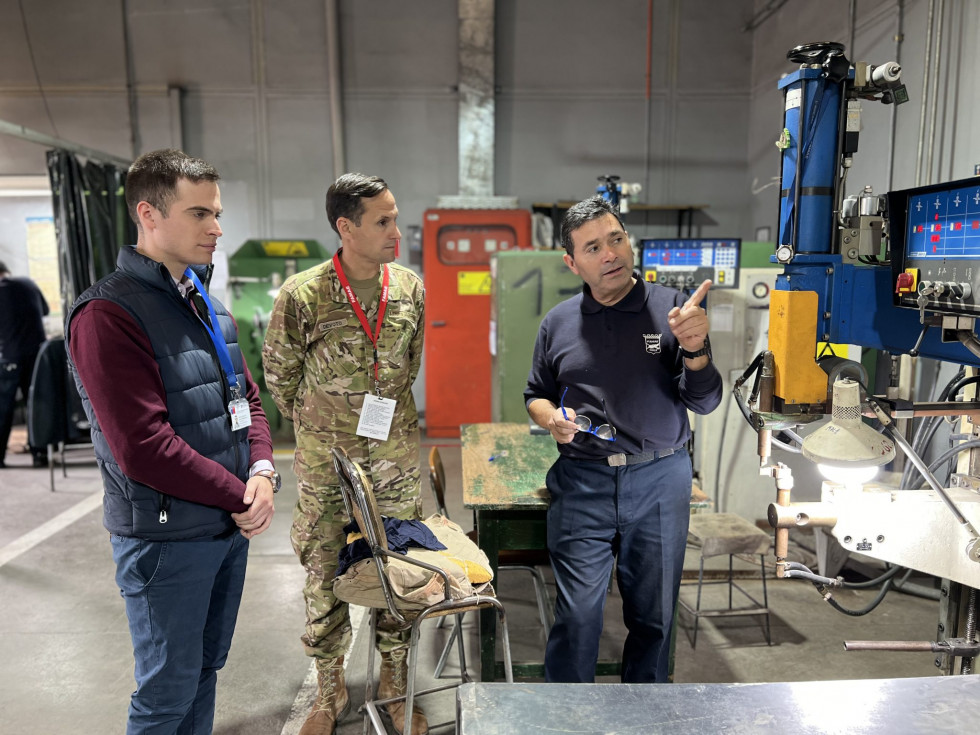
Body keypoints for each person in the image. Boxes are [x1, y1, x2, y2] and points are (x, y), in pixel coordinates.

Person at [65, 149, 277, 734]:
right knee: (166, 690)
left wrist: (263, 473)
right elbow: (143, 447)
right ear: (149, 215)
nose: (216, 227)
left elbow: (249, 402)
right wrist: (240, 494)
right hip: (165, 540)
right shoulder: (109, 315)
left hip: (222, 528)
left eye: (217, 212)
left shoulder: (209, 307)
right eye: (200, 213)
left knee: (204, 672)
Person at [525, 195, 722, 684]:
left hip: (660, 480)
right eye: (593, 247)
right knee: (578, 618)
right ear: (572, 262)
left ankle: (645, 718)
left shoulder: (675, 310)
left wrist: (696, 351)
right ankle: (570, 719)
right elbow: (536, 394)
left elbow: (705, 401)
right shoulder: (558, 322)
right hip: (582, 482)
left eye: (616, 239)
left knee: (654, 621)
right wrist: (552, 420)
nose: (610, 253)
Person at [263, 173, 426, 735]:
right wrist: (326, 425)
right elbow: (280, 380)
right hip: (325, 462)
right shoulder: (302, 296)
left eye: (395, 217)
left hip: (395, 456)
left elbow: (409, 368)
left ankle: (395, 682)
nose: (395, 231)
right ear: (345, 227)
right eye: (382, 221)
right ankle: (328, 692)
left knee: (401, 568)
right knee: (324, 566)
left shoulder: (409, 289)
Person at [0, 260, 49, 468]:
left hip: (10, 357)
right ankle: (40, 454)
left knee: (3, 408)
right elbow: (45, 311)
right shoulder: (29, 284)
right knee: (36, 405)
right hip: (37, 357)